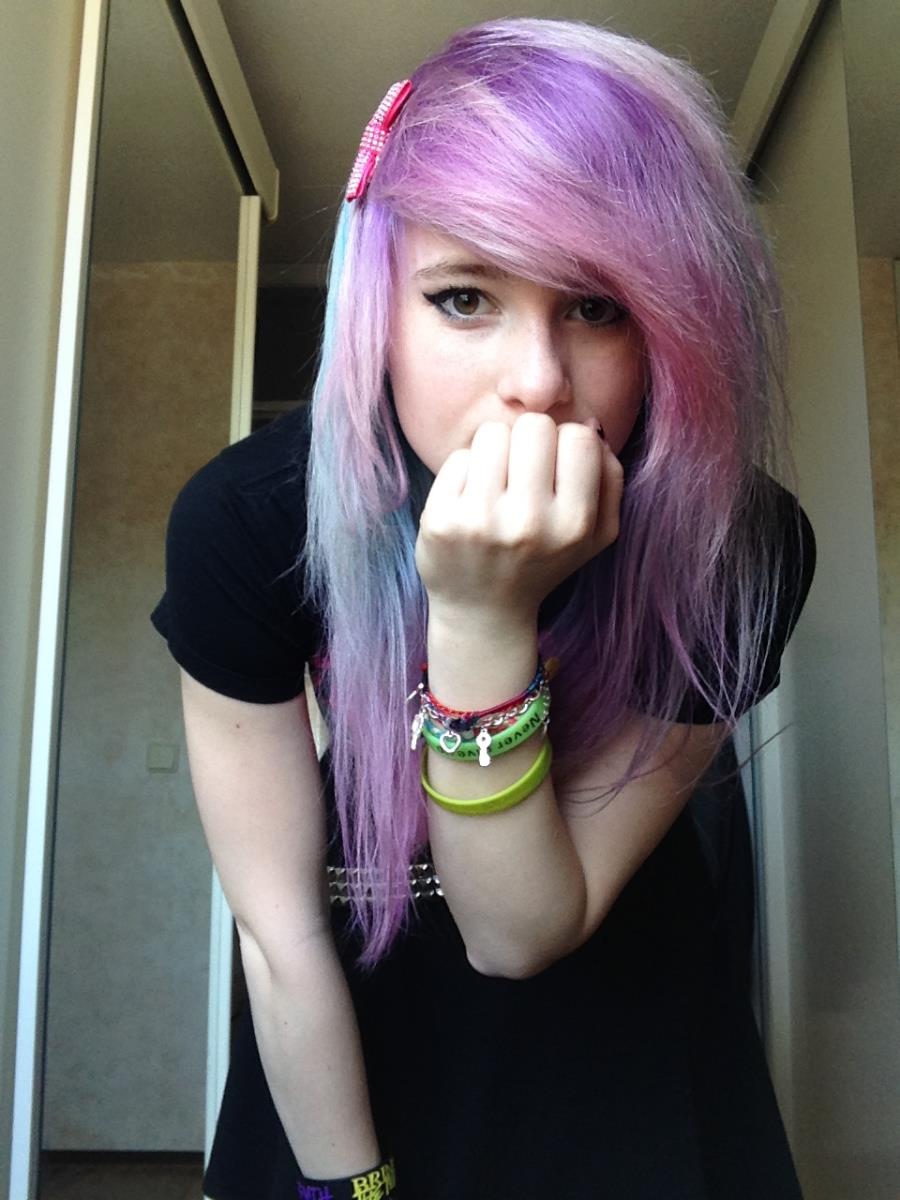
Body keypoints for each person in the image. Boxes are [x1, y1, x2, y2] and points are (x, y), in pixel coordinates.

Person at [150, 17, 816, 1200]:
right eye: (464, 298)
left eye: (598, 307)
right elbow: (277, 929)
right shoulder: (249, 522)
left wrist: (479, 621)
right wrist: (349, 1188)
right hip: (346, 1053)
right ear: (380, 312)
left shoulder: (735, 542)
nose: (539, 382)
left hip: (625, 1062)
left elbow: (519, 934)